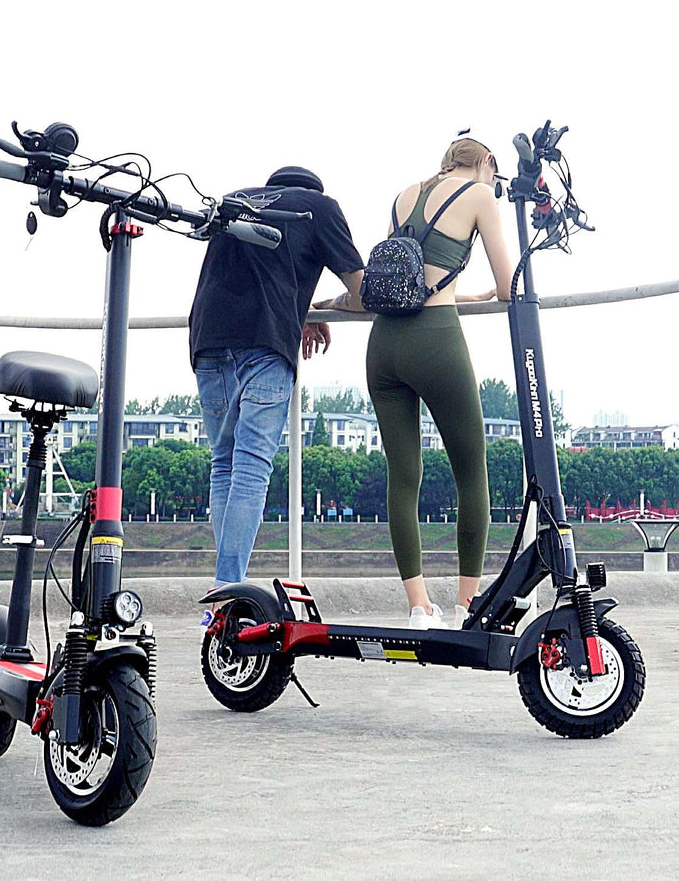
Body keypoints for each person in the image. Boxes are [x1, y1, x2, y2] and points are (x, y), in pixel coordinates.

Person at [318, 135, 514, 629]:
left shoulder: (404, 195)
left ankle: (419, 607)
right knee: (471, 472)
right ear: (487, 162)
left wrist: (463, 295)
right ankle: (467, 605)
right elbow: (508, 287)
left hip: (384, 346)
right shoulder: (480, 195)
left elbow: (399, 284)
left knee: (403, 476)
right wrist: (485, 294)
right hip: (436, 342)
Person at [190, 165, 363, 602]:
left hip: (208, 338)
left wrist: (301, 311)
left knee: (223, 463)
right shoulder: (320, 208)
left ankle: (226, 583)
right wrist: (321, 306)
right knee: (251, 465)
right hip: (265, 343)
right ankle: (227, 586)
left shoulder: (236, 200)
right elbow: (363, 294)